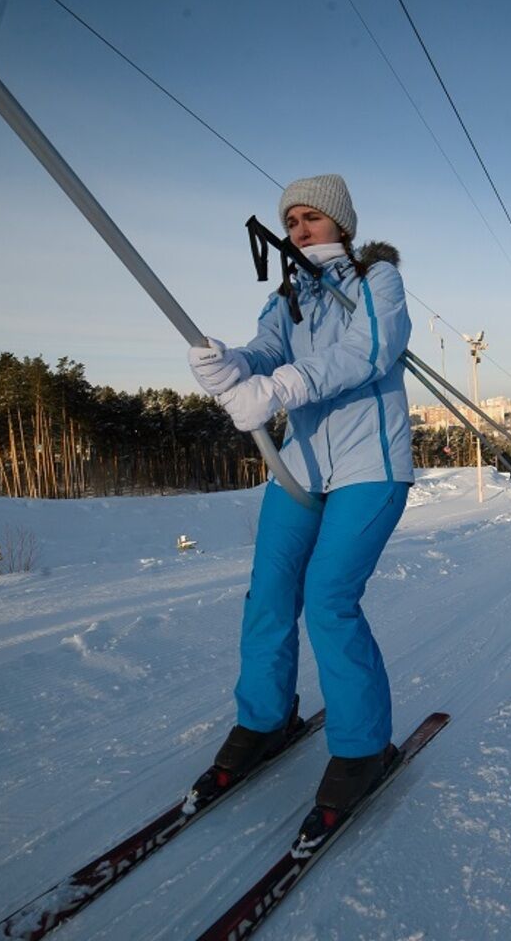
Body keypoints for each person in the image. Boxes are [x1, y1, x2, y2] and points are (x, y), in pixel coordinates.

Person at [187, 174, 412, 839]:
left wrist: (281, 384)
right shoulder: (287, 294)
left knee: (330, 594)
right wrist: (229, 364)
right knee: (269, 593)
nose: (300, 229)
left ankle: (363, 745)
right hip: (300, 469)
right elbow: (265, 353)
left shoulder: (379, 280)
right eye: (291, 221)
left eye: (312, 217)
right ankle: (265, 719)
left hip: (371, 467)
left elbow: (367, 351)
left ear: (341, 222)